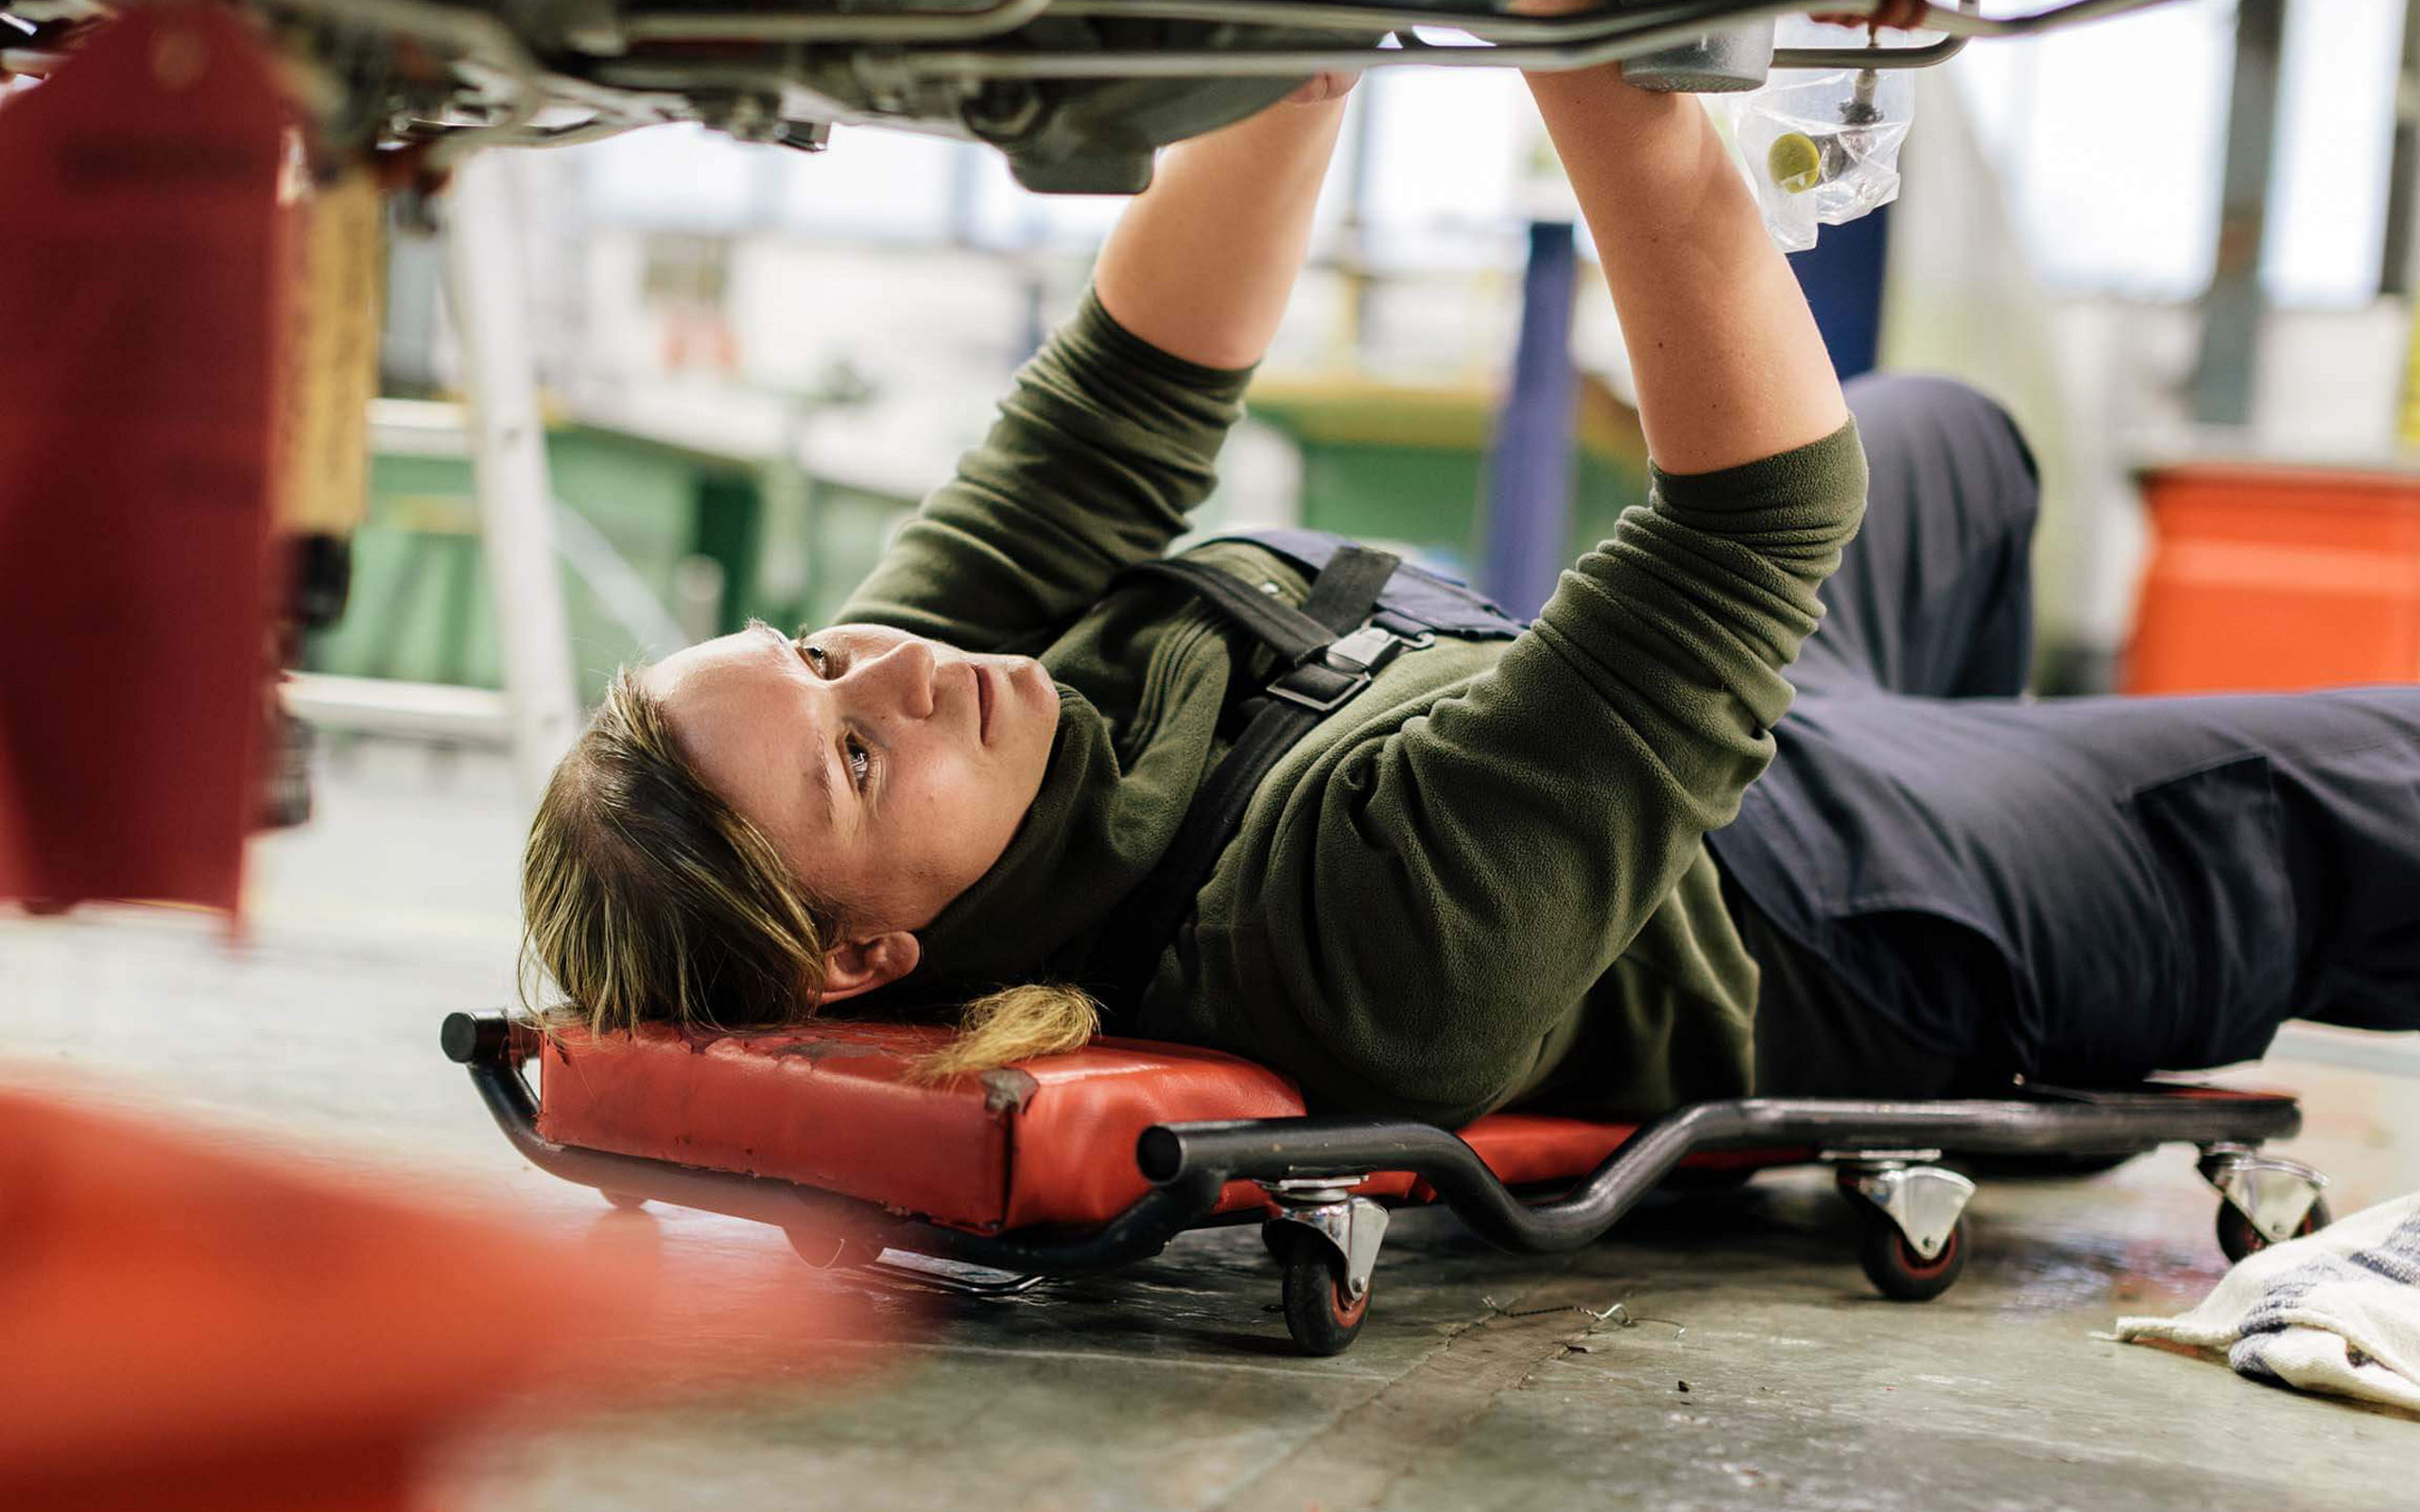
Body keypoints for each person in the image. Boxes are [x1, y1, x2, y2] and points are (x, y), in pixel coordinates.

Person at [519, 58, 2420, 1129]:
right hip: (1831, 901)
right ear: (863, 959)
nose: (899, 667)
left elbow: (1125, 389)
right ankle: (2050, 909)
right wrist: (1595, 50)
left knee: (1958, 438)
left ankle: (2025, 780)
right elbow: (1752, 518)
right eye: (848, 751)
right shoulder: (1329, 944)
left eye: (819, 644)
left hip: (1718, 743)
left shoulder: (962, 698)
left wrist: (1286, 38)